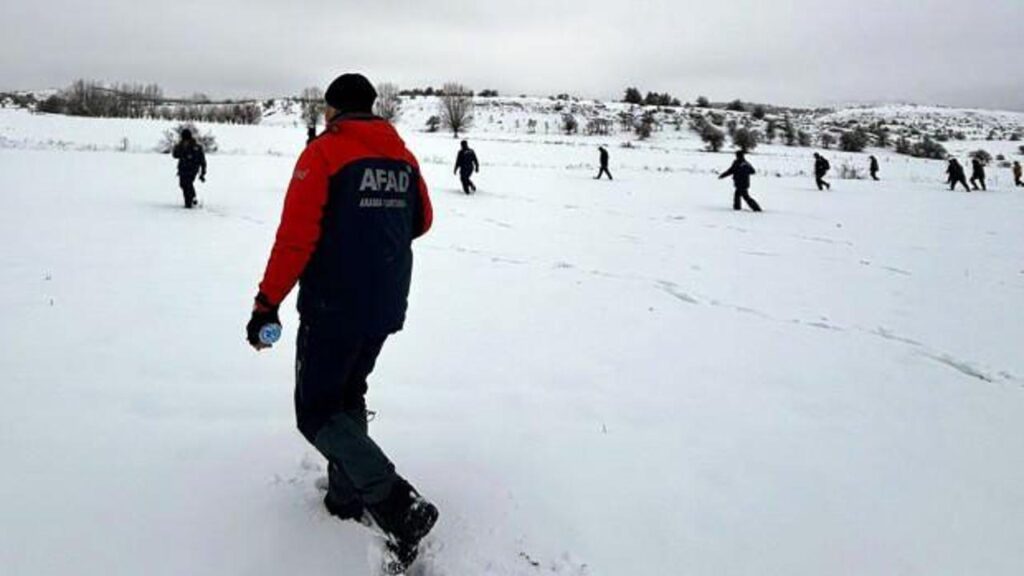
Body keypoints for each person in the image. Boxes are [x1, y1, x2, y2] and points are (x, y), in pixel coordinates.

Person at [246, 73, 437, 573]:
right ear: (371, 108)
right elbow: (423, 220)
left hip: (334, 305)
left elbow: (295, 239)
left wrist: (267, 304)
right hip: (385, 303)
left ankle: (397, 503)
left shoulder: (324, 154)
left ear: (333, 110)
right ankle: (345, 498)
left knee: (314, 410)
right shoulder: (402, 154)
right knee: (348, 393)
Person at [171, 129, 206, 208]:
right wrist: (177, 147)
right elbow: (175, 155)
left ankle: (189, 202)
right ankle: (190, 199)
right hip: (183, 169)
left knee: (188, 183)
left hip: (192, 169)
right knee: (183, 185)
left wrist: (203, 173)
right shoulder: (181, 145)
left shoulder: (196, 147)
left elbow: (202, 161)